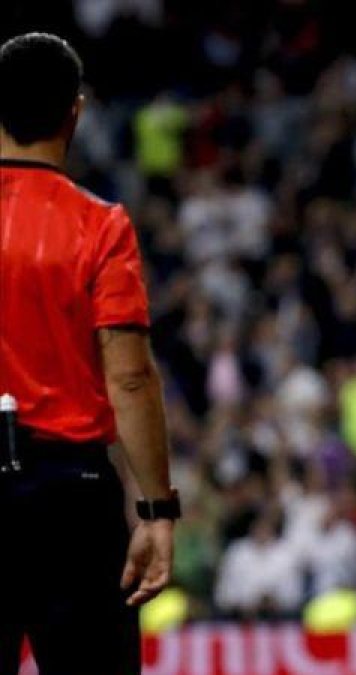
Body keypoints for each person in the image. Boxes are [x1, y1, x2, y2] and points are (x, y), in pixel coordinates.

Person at [0, 32, 178, 674]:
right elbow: (129, 378)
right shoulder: (100, 226)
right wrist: (155, 509)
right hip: (69, 502)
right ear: (74, 113)